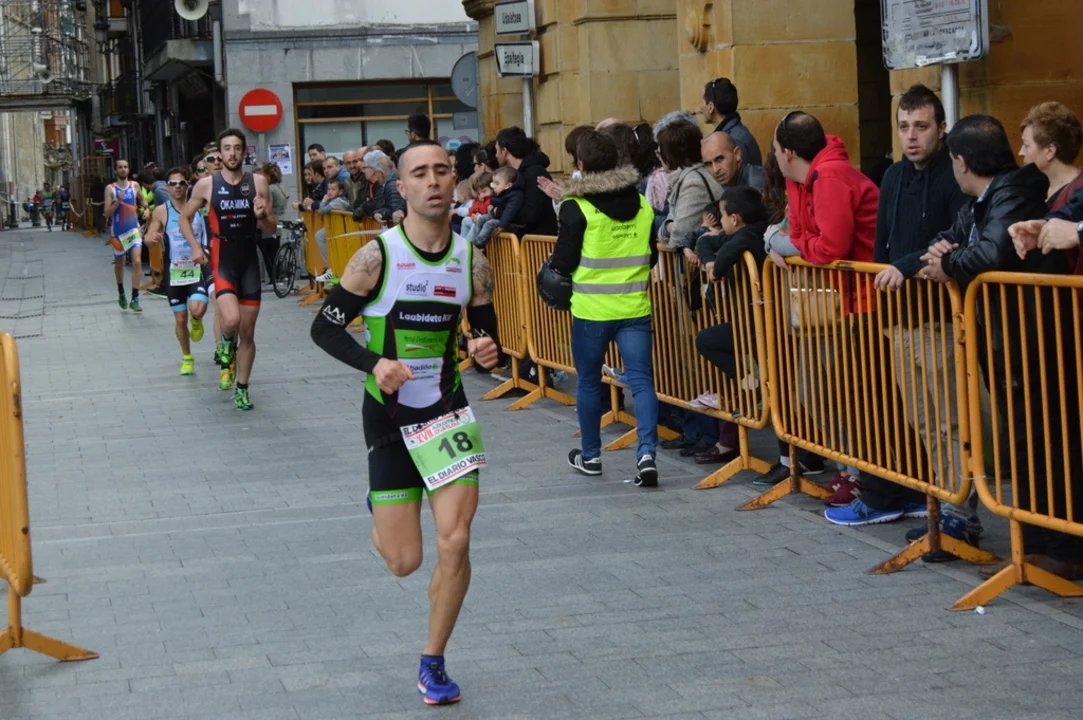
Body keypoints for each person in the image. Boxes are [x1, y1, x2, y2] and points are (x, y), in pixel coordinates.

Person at [310, 140, 499, 706]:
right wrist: (376, 363)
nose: (433, 181)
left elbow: (486, 335)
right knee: (404, 562)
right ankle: (382, 508)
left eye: (442, 171)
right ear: (403, 186)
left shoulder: (472, 260)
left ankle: (432, 661)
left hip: (446, 413)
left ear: (455, 179)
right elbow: (324, 329)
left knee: (456, 541)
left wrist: (486, 350)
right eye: (420, 173)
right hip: (390, 416)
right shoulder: (376, 258)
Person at [927, 115, 1083, 580]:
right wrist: (942, 253)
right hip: (1019, 337)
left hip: (1040, 335)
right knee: (1027, 443)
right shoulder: (1006, 196)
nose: (1022, 151)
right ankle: (1033, 541)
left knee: (1051, 444)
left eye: (1028, 142)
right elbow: (954, 237)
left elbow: (993, 253)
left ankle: (1064, 548)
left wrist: (950, 262)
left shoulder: (1014, 191)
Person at [828, 85, 975, 550]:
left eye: (921, 127)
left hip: (941, 317)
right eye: (904, 126)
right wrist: (881, 303)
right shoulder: (892, 175)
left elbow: (954, 238)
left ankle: (960, 514)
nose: (911, 136)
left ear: (942, 129)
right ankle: (941, 503)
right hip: (899, 318)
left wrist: (906, 266)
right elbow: (881, 246)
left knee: (950, 422)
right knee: (922, 420)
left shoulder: (954, 175)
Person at [547, 130, 661, 487]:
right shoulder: (642, 204)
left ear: (581, 166)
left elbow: (563, 263)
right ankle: (647, 455)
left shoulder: (576, 206)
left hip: (592, 312)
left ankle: (591, 456)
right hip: (634, 308)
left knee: (588, 382)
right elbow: (652, 255)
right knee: (642, 382)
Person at [180, 128, 277, 410]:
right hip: (222, 259)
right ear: (219, 154)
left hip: (249, 261)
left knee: (248, 333)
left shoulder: (258, 182)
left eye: (237, 148)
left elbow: (270, 229)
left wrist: (262, 216)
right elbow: (185, 218)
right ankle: (224, 343)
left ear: (244, 151)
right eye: (227, 148)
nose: (232, 154)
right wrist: (196, 248)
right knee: (232, 320)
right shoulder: (206, 185)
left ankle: (242, 388)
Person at [145, 168, 210, 375]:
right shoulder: (161, 211)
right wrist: (151, 239)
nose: (178, 187)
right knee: (180, 318)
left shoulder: (199, 207)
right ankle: (187, 357)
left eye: (182, 183)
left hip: (198, 266)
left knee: (197, 310)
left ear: (187, 185)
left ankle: (197, 320)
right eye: (173, 184)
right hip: (175, 270)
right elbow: (148, 237)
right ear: (167, 187)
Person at [104, 159, 150, 311]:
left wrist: (146, 209)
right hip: (118, 233)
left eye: (125, 167)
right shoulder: (110, 189)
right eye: (120, 167)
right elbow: (107, 213)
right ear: (115, 171)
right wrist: (117, 201)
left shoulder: (134, 185)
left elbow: (142, 199)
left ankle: (135, 298)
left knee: (137, 261)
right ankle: (121, 291)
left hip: (133, 230)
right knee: (120, 263)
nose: (123, 169)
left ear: (128, 170)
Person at [494, 127, 558, 235]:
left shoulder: (535, 173)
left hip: (538, 241)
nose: (495, 155)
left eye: (496, 150)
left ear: (504, 151)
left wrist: (498, 211)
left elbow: (529, 215)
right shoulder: (518, 173)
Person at [702, 77, 762, 167]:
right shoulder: (734, 133)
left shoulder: (734, 140)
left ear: (711, 107)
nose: (701, 107)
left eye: (702, 100)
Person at [468, 166, 523, 247]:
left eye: (497, 184)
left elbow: (509, 212)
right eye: (493, 183)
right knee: (482, 219)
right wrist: (488, 212)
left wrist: (501, 226)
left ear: (508, 185)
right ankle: (475, 240)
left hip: (512, 223)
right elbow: (492, 205)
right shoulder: (498, 193)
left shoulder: (515, 196)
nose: (493, 186)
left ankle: (478, 244)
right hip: (499, 218)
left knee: (489, 224)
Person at [314, 179, 352, 282]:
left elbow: (321, 211)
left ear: (340, 191)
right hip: (338, 228)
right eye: (329, 189)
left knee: (319, 236)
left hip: (342, 229)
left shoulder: (338, 202)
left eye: (333, 189)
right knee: (320, 235)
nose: (330, 192)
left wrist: (323, 200)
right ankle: (332, 269)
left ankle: (331, 268)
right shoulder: (336, 200)